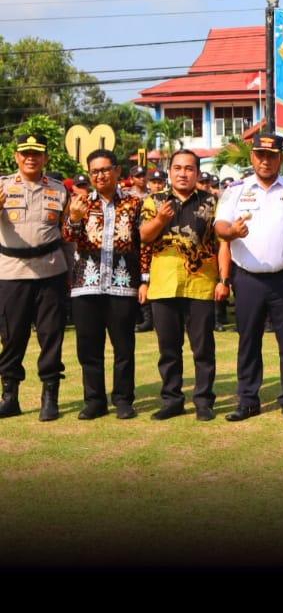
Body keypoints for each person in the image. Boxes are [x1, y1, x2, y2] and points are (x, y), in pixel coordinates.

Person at [214, 133, 283, 421]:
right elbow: (220, 227)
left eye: (272, 156)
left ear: (281, 158)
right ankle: (248, 400)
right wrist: (232, 232)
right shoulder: (236, 190)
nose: (265, 161)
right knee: (249, 341)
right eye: (260, 155)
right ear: (252, 157)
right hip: (248, 279)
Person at [139, 148, 226, 421]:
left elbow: (222, 243)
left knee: (203, 349)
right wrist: (160, 220)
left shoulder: (212, 202)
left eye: (189, 168)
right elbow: (144, 236)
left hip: (201, 284)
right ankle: (172, 400)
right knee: (169, 349)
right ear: (170, 172)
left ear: (197, 173)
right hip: (164, 285)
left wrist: (223, 280)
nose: (183, 173)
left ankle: (203, 401)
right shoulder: (154, 201)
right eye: (177, 168)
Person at [62, 148, 143, 419]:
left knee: (124, 347)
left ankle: (123, 400)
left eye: (105, 169)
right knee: (89, 348)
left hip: (122, 283)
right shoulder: (80, 203)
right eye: (94, 171)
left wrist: (144, 279)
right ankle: (94, 401)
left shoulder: (134, 203)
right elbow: (68, 236)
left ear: (117, 171)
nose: (100, 175)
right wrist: (74, 218)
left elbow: (143, 243)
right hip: (87, 284)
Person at [0, 131, 70, 421]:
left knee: (51, 335)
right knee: (12, 336)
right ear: (16, 157)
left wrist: (71, 272)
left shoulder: (60, 190)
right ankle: (9, 396)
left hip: (50, 271)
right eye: (26, 153)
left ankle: (49, 397)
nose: (31, 158)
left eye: (37, 154)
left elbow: (68, 234)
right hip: (11, 271)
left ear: (46, 158)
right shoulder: (2, 187)